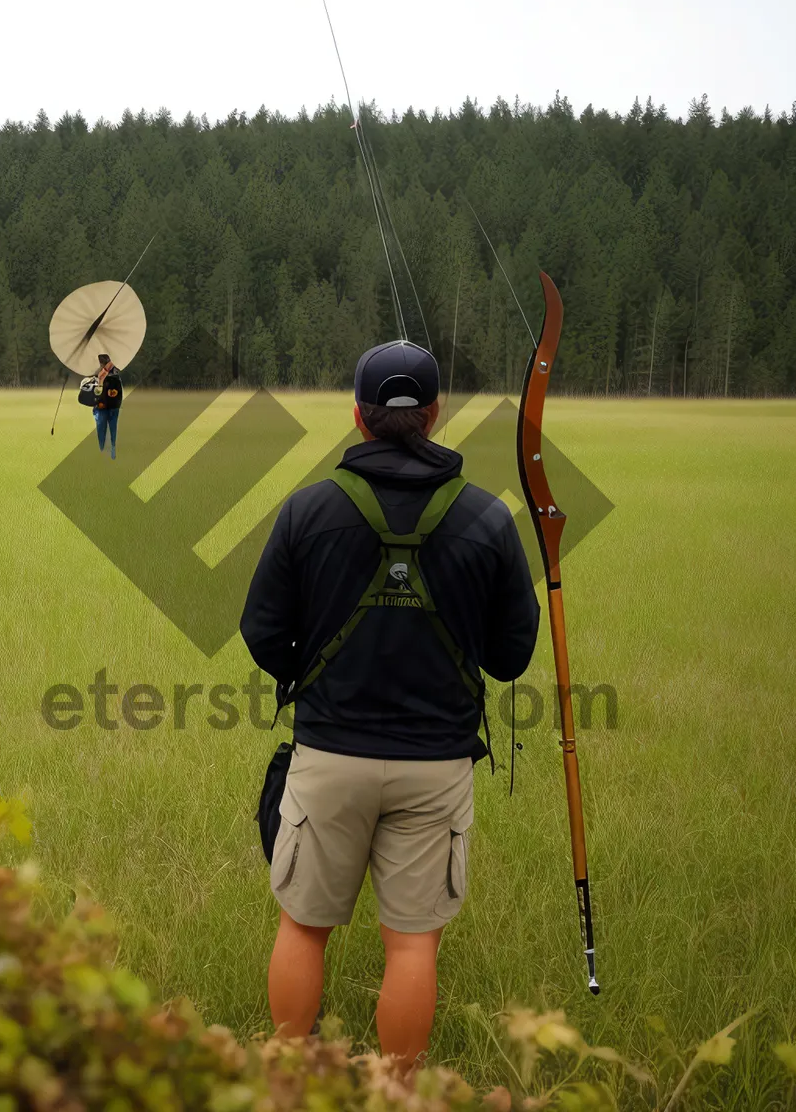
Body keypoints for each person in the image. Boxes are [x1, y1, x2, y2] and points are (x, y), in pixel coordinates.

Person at [240, 339, 541, 1074]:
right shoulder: (488, 519)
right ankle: (399, 1091)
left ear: (359, 416)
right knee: (411, 944)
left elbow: (261, 632)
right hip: (436, 766)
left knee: (304, 927)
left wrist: (308, 678)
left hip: (329, 760)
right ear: (435, 416)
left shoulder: (308, 510)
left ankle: (286, 1078)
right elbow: (510, 658)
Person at [92, 353, 123, 459]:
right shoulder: (113, 372)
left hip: (106, 405)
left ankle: (106, 449)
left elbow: (97, 391)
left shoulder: (104, 374)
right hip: (110, 405)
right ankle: (107, 449)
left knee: (103, 428)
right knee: (108, 428)